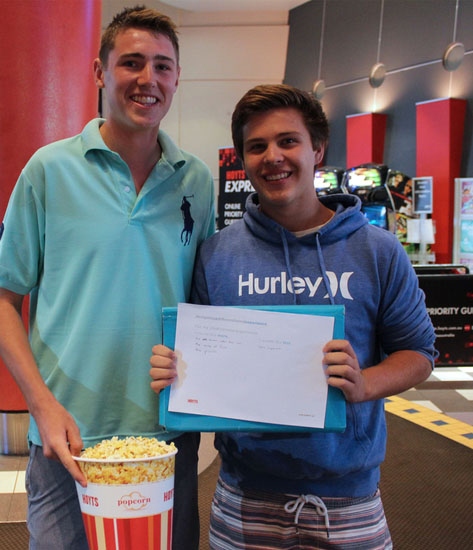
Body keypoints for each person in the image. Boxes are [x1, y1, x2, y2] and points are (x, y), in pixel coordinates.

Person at [150, 84, 435, 549]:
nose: (273, 157)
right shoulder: (217, 254)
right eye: (256, 146)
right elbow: (201, 361)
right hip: (245, 496)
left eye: (288, 141)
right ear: (243, 159)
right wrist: (178, 373)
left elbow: (419, 352)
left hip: (349, 500)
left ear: (317, 149)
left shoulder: (376, 251)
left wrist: (366, 384)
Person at [0, 6, 215, 550]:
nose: (148, 79)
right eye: (131, 62)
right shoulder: (48, 170)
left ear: (177, 78)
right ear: (99, 73)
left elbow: (205, 306)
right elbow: (2, 301)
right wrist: (39, 404)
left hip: (167, 436)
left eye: (162, 66)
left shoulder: (197, 182)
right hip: (68, 436)